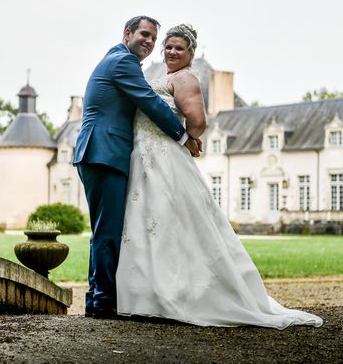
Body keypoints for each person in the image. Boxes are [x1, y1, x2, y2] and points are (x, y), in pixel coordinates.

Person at [115, 24, 323, 328]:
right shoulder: (163, 77)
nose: (172, 52)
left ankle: (174, 296)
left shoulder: (185, 78)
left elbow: (198, 121)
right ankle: (147, 297)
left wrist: (184, 137)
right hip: (143, 158)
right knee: (145, 224)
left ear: (191, 53)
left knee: (168, 223)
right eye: (168, 47)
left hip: (164, 158)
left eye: (179, 48)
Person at [73, 16, 201, 319]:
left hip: (100, 151)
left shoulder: (116, 58)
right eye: (145, 34)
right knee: (108, 230)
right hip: (105, 151)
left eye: (153, 38)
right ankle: (103, 301)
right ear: (127, 33)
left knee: (103, 229)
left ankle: (97, 299)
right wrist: (183, 136)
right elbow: (149, 102)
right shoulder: (122, 62)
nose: (149, 41)